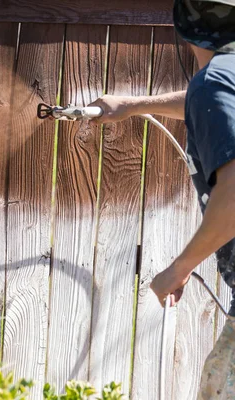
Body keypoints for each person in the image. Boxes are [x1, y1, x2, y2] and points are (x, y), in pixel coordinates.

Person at [89, 1, 235, 397]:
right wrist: (133, 106)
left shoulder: (216, 81)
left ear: (186, 28)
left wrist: (179, 268)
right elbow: (211, 106)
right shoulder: (223, 82)